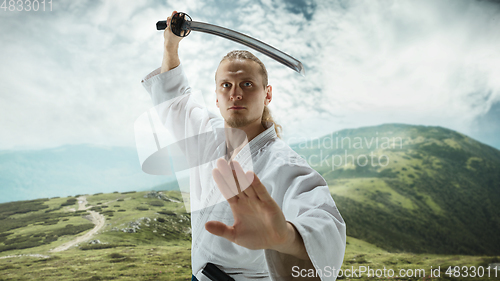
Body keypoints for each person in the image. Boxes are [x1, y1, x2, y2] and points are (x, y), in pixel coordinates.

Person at [141, 11, 346, 281]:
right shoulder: (205, 136)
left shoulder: (285, 165)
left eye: (247, 84)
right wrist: (171, 44)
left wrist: (284, 237)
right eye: (226, 85)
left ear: (267, 94)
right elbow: (174, 100)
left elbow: (324, 223)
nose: (235, 93)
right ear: (216, 97)